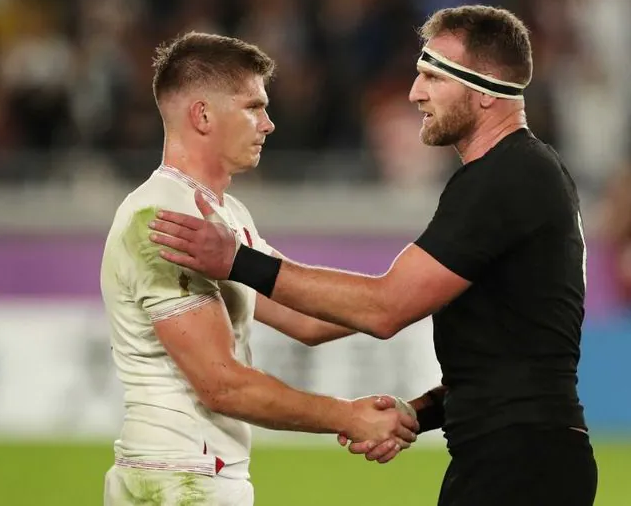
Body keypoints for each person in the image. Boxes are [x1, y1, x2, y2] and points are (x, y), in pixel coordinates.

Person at [150, 5, 599, 506]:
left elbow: (385, 308)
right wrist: (418, 413)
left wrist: (238, 261)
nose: (415, 93)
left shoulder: (505, 178)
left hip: (521, 467)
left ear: (485, 88)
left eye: (432, 75)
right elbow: (509, 361)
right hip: (519, 459)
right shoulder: (520, 174)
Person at [99, 32, 418, 506]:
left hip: (202, 477)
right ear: (203, 115)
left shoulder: (226, 218)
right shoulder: (161, 219)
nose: (268, 124)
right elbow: (221, 384)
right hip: (173, 481)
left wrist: (421, 295)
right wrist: (346, 415)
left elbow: (305, 317)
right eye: (253, 107)